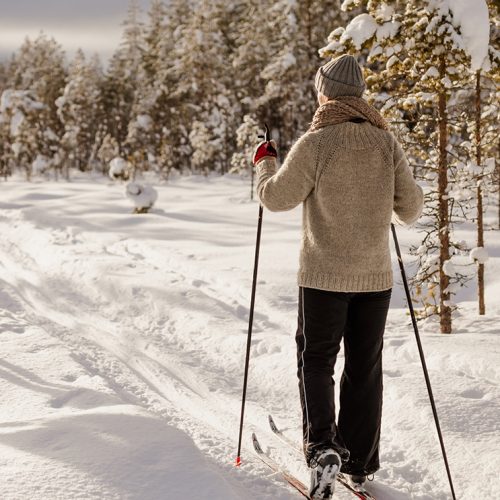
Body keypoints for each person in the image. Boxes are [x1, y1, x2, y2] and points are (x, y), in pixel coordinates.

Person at [252, 54, 423, 500]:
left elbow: (275, 198)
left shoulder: (317, 141)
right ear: (360, 94)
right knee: (364, 368)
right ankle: (360, 463)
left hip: (324, 276)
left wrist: (263, 162)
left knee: (316, 361)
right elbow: (411, 208)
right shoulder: (386, 143)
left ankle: (324, 447)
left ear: (324, 92)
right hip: (374, 279)